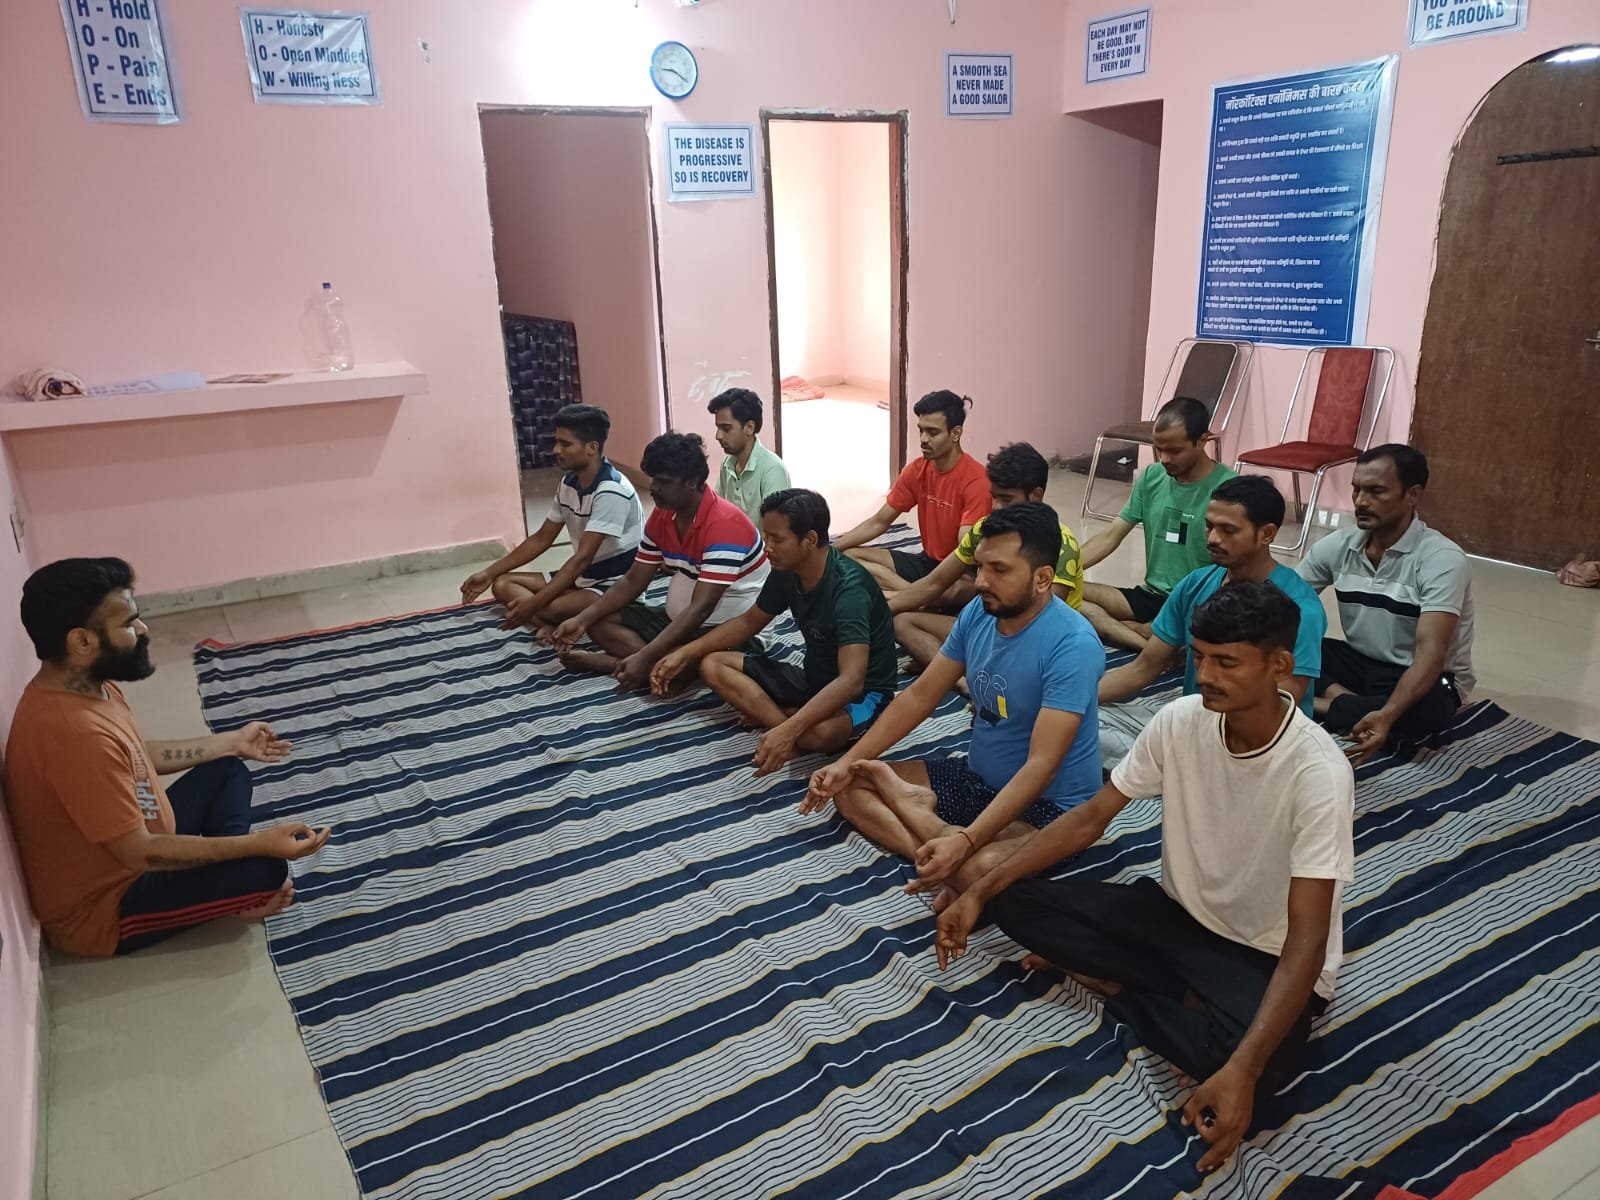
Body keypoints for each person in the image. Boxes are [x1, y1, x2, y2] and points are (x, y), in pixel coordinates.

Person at [935, 581, 1354, 1174]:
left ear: (1279, 667)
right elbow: (1091, 819)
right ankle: (1160, 991)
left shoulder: (1318, 772)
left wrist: (1241, 1072)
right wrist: (979, 890)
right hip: (1177, 916)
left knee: (1250, 1064)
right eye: (1199, 657)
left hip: (1263, 953)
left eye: (1226, 662)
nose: (1205, 675)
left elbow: (1308, 938)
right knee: (1011, 898)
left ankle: (1124, 985)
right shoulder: (1181, 720)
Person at [4, 558, 332, 957]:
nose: (143, 629)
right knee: (266, 870)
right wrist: (256, 845)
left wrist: (233, 743)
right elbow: (142, 853)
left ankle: (224, 879)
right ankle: (230, 893)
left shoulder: (85, 685)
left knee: (228, 769)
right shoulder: (73, 735)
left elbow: (135, 754)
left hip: (138, 843)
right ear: (82, 642)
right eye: (129, 623)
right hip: (108, 908)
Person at [801, 502, 1104, 905]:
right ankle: (941, 852)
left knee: (980, 869)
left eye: (999, 570)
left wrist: (968, 841)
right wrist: (846, 761)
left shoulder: (1073, 645)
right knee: (849, 784)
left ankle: (943, 844)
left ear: (1043, 578)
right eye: (980, 567)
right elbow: (920, 695)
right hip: (977, 778)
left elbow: (1041, 766)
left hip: (1051, 806)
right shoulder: (979, 612)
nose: (981, 581)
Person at [649, 488, 897, 775]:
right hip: (816, 679)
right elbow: (748, 623)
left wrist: (792, 727)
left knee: (820, 735)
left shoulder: (849, 591)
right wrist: (686, 652)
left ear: (810, 540)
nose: (767, 548)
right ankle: (786, 727)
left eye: (777, 540)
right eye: (766, 537)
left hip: (864, 694)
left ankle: (788, 727)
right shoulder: (787, 571)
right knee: (712, 663)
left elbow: (851, 681)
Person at [1296, 444, 1476, 762]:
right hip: (1359, 662)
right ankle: (1343, 702)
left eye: (1376, 491)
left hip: (1423, 674)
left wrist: (1388, 715)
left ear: (1413, 495)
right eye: (1357, 489)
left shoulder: (1442, 559)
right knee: (1284, 642)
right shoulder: (1338, 546)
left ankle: (1315, 703)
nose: (1361, 502)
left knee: (1427, 711)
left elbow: (1431, 654)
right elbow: (1283, 606)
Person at [551, 432, 770, 690]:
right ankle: (651, 667)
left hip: (730, 630)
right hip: (679, 622)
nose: (654, 488)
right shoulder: (664, 515)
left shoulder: (725, 525)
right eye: (653, 479)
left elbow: (701, 608)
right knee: (599, 621)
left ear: (692, 482)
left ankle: (620, 663)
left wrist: (646, 655)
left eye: (664, 481)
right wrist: (581, 620)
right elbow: (633, 580)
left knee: (695, 663)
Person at [1100, 475, 1325, 714]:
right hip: (1198, 720)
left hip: (1255, 732)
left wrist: (1205, 733)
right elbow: (1144, 667)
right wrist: (1076, 702)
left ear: (1267, 534)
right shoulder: (1195, 583)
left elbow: (1280, 705)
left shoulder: (1300, 609)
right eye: (1209, 526)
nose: (1213, 538)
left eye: (1228, 530)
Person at [890, 441, 1085, 674]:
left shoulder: (1061, 544)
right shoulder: (985, 529)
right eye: (993, 497)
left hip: (1032, 641)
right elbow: (935, 583)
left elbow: (1042, 620)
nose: (996, 507)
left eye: (1006, 499)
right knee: (902, 621)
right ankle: (961, 674)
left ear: (1036, 496)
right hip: (991, 625)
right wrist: (879, 611)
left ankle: (958, 672)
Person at [460, 403, 644, 633]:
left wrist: (534, 604)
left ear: (591, 447)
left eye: (565, 444)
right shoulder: (568, 483)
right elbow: (541, 539)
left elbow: (583, 558)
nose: (556, 450)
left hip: (613, 585)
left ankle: (548, 618)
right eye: (556, 442)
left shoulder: (611, 491)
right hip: (582, 578)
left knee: (550, 607)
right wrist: (488, 573)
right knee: (502, 583)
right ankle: (550, 620)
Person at [1078, 397, 1235, 651]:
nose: (1164, 459)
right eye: (1159, 449)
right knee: (1060, 592)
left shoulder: (1229, 489)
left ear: (1202, 441)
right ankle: (1149, 642)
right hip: (1150, 596)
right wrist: (1061, 571)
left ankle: (1139, 635)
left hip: (1198, 602)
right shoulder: (1152, 477)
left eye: (1175, 451)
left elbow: (1236, 567)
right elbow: (1111, 535)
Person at [833, 389, 990, 594]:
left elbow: (965, 550)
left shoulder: (977, 481)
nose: (923, 439)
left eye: (932, 432)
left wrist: (936, 582)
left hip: (957, 571)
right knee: (849, 555)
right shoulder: (917, 470)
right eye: (921, 430)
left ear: (955, 433)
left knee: (959, 590)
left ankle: (907, 595)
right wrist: (831, 549)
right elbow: (879, 521)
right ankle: (914, 595)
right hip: (926, 562)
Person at [708, 387, 792, 524]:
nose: (718, 436)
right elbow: (719, 510)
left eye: (726, 428)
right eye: (718, 428)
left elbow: (776, 528)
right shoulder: (727, 464)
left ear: (749, 428)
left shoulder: (772, 469)